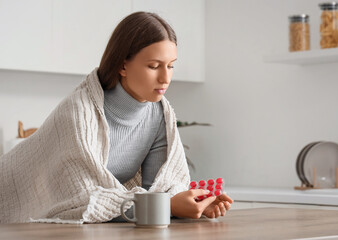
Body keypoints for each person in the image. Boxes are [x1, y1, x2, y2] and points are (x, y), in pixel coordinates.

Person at [0, 11, 232, 224]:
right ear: (123, 65)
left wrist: (193, 206)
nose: (165, 78)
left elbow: (157, 194)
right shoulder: (80, 111)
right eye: (154, 66)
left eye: (171, 66)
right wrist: (170, 206)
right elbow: (83, 201)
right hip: (10, 202)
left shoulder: (161, 116)